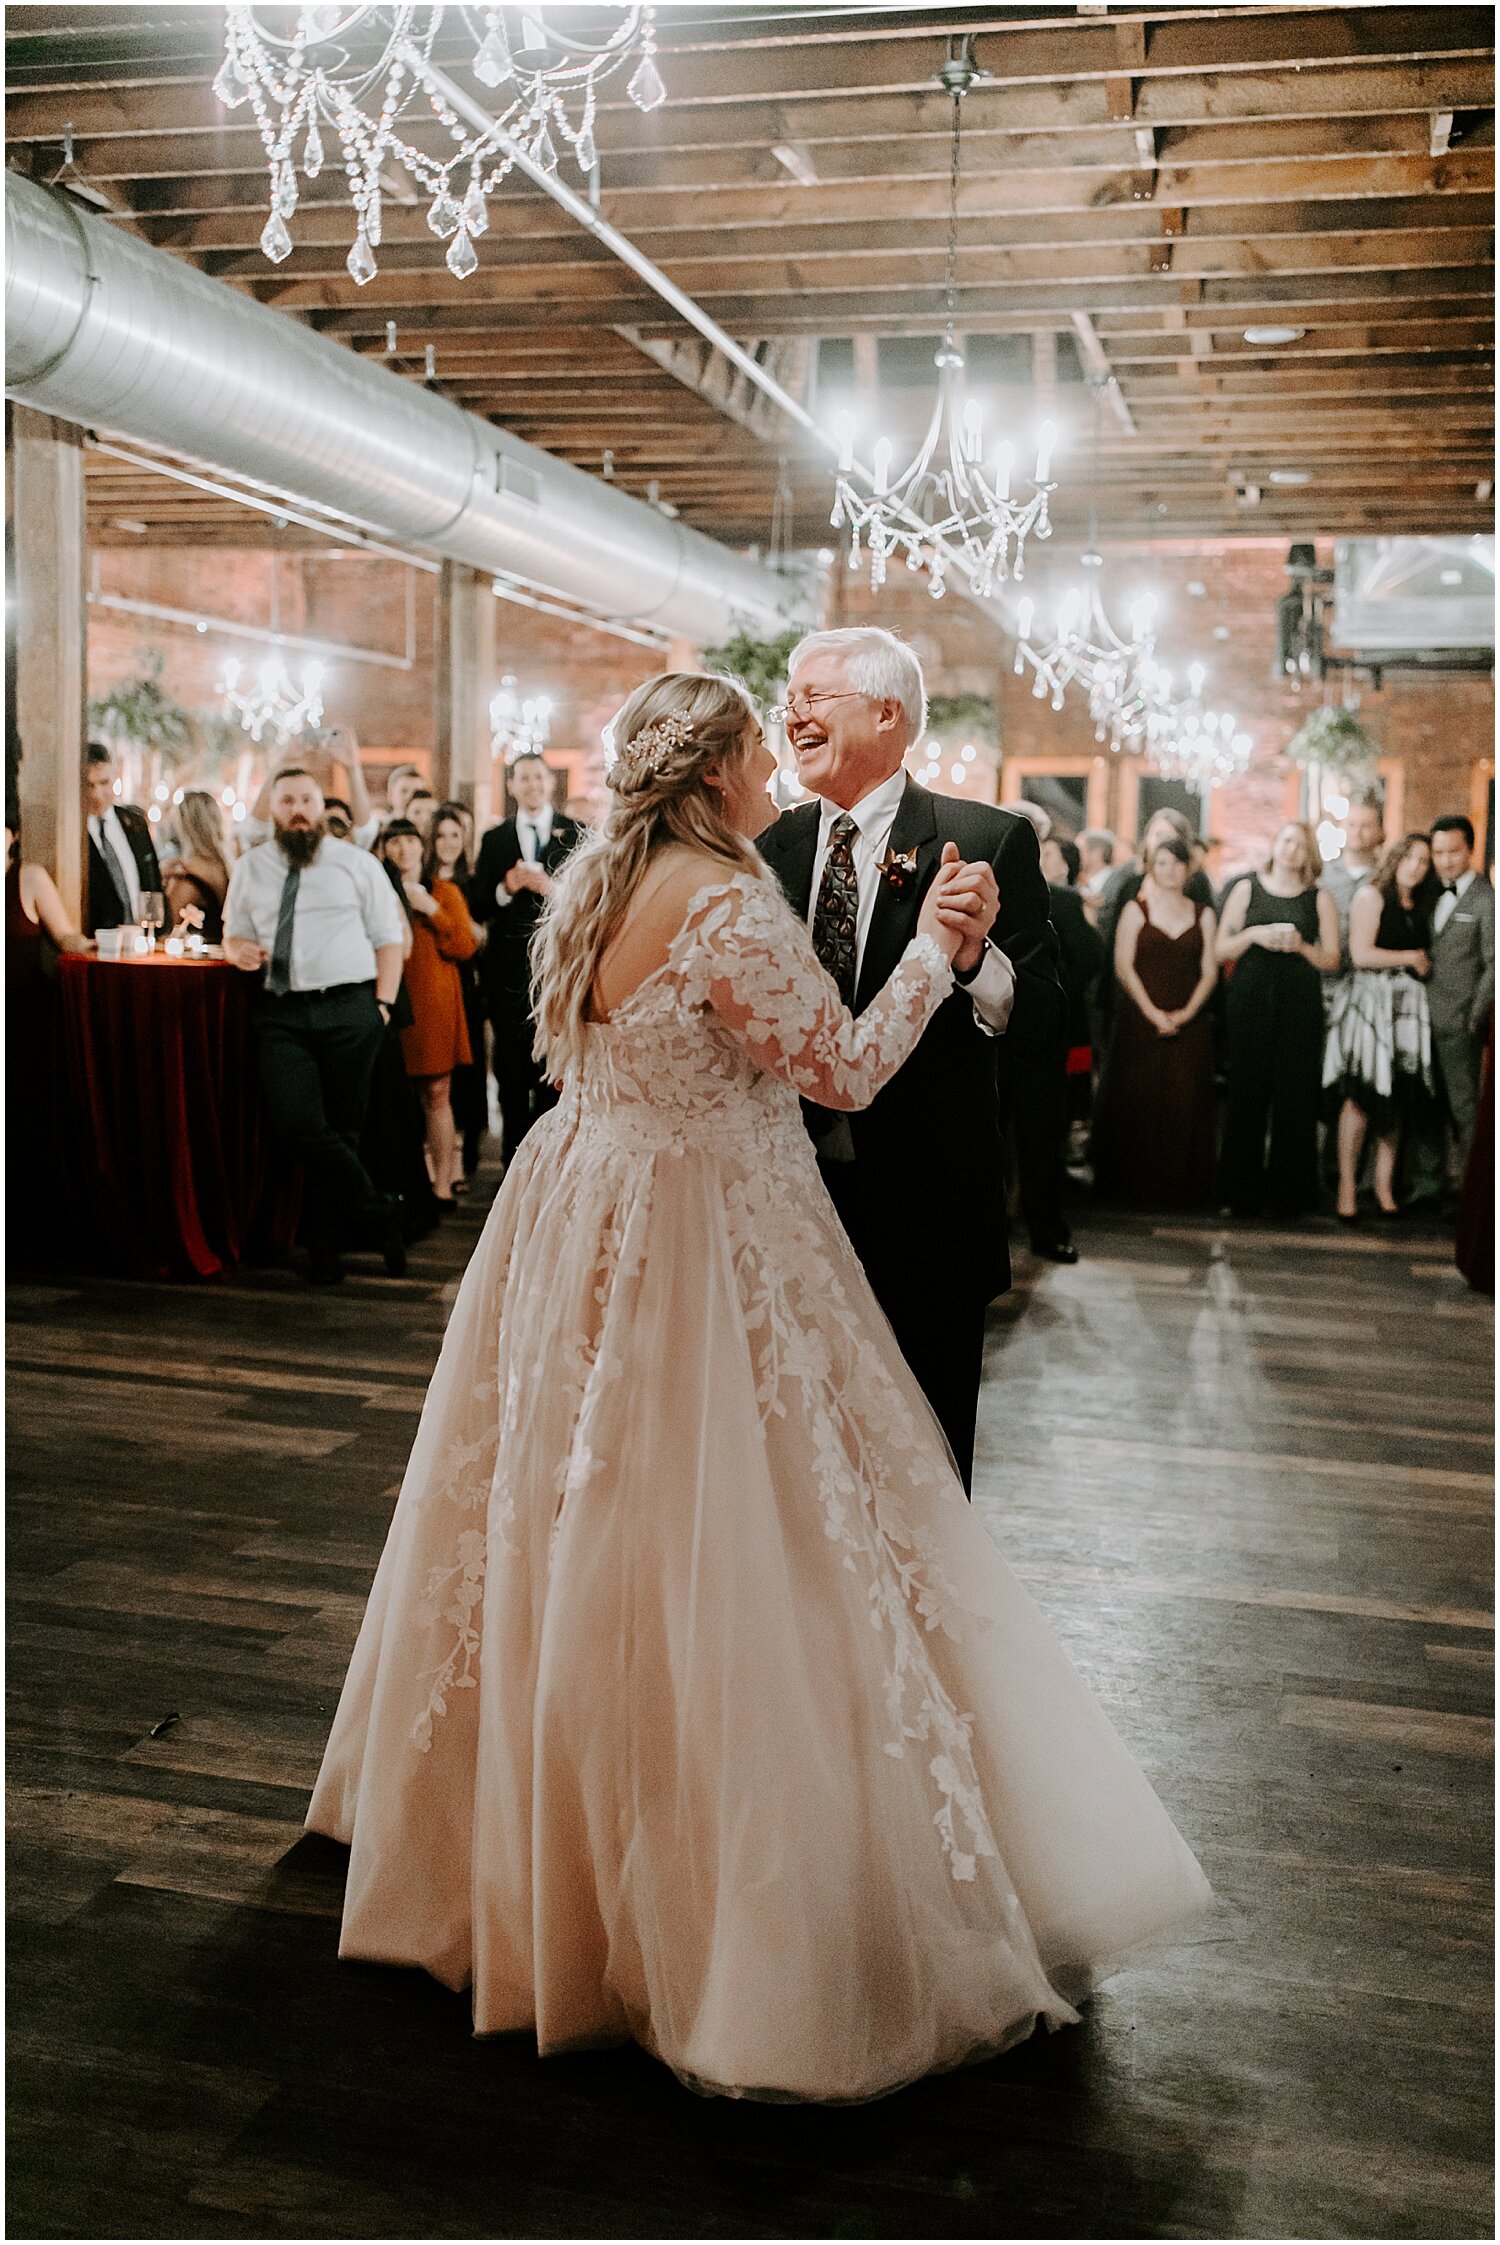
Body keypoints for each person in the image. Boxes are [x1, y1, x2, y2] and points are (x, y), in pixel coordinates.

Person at [306, 669, 1210, 2103]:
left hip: (585, 1216)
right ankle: (721, 1896)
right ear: (720, 771)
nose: (774, 769)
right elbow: (841, 1071)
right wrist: (926, 952)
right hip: (709, 1239)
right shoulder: (727, 900)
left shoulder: (601, 884)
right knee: (737, 1529)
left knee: (577, 1513)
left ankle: (529, 1852)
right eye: (757, 744)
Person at [760, 629, 1065, 1485]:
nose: (794, 713)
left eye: (815, 696)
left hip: (925, 1212)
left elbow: (1042, 1024)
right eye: (792, 698)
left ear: (887, 712)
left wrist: (974, 962)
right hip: (779, 1201)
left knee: (920, 1470)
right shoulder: (766, 850)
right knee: (792, 1467)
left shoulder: (983, 838)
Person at [224, 766, 408, 1284]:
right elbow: (232, 935)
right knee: (298, 1122)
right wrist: (239, 951)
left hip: (351, 1009)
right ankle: (380, 1211)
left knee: (343, 1131)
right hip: (282, 1012)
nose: (298, 810)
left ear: (321, 806)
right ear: (273, 810)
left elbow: (388, 936)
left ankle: (325, 1251)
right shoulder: (250, 868)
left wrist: (383, 1007)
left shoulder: (356, 864)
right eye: (287, 801)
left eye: (306, 799)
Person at [1216, 821, 1340, 1219]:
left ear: (1309, 854)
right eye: (1286, 840)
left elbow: (1333, 959)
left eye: (1300, 845)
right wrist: (1254, 935)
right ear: (1275, 843)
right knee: (1246, 1093)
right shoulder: (1247, 887)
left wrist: (1301, 945)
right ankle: (1239, 1191)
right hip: (1250, 1002)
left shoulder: (1318, 898)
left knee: (1295, 1095)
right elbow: (1220, 948)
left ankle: (1291, 1193)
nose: (1291, 850)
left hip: (1298, 1004)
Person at [1092, 836, 1218, 1209]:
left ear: (1187, 868)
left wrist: (1186, 1013)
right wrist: (1152, 1013)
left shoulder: (1203, 913)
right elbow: (1122, 966)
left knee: (1184, 1102)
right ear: (1151, 867)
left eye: (1176, 863)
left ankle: (1182, 1191)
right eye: (1161, 863)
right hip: (1141, 1019)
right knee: (1139, 1100)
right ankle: (1132, 1189)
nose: (1169, 870)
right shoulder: (1135, 909)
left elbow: (1210, 971)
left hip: (1188, 1019)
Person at [471, 754, 585, 1164]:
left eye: (538, 777)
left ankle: (553, 1165)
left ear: (550, 782)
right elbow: (478, 905)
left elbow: (591, 904)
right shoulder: (495, 839)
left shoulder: (576, 834)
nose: (532, 785)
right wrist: (506, 885)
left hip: (559, 975)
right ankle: (512, 1167)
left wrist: (551, 889)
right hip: (508, 978)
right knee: (511, 1076)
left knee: (556, 1077)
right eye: (524, 778)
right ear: (512, 786)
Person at [1324, 831, 1438, 1221]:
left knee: (1399, 1097)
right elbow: (1360, 953)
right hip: (1371, 1002)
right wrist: (1411, 956)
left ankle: (1384, 1187)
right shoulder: (1371, 895)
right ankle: (1346, 1187)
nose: (1416, 867)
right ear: (1395, 858)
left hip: (1407, 1008)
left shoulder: (1421, 903)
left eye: (1424, 861)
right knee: (1361, 1096)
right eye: (1410, 858)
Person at [378, 817, 480, 1207]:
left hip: (435, 1003)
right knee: (399, 1097)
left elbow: (466, 946)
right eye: (394, 842)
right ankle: (408, 1182)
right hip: (395, 998)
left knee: (437, 1093)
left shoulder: (445, 891)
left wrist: (431, 909)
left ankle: (442, 1183)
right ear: (385, 849)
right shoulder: (380, 891)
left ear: (423, 848)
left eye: (410, 841)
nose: (403, 849)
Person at [7, 809, 92, 1267]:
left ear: (13, 834)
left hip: (19, 1022)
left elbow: (67, 938)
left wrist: (106, 946)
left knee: (20, 1126)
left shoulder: (29, 877)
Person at [1094, 808, 1216, 1031]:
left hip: (1182, 986)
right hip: (1129, 986)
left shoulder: (1195, 882)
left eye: (1168, 837)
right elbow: (1109, 928)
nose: (1160, 842)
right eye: (1156, 835)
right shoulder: (1128, 878)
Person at [1426, 814, 1495, 1168]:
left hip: (1461, 1024)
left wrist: (1474, 1017)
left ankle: (1469, 1193)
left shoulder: (1488, 898)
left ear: (1470, 849)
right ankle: (1428, 1183)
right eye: (1438, 852)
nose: (1446, 860)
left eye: (1454, 851)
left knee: (1465, 1109)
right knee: (1426, 1106)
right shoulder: (1429, 892)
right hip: (1422, 1020)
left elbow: (1493, 963)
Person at [428, 801, 490, 1183]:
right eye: (441, 835)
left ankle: (464, 1158)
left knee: (468, 1075)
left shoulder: (473, 882)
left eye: (455, 835)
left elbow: (480, 937)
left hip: (467, 985)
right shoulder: (420, 881)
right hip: (432, 985)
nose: (448, 842)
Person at [246, 729, 380, 852]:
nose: (329, 835)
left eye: (337, 827)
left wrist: (353, 769)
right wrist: (284, 762)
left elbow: (366, 832)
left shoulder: (354, 859)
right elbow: (255, 831)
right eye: (324, 825)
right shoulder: (280, 857)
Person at [83, 741, 163, 935]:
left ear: (115, 777)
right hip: (99, 940)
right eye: (88, 785)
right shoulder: (75, 831)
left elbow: (150, 880)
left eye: (104, 783)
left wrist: (155, 932)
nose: (96, 794)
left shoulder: (134, 823)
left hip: (141, 939)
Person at [160, 788, 233, 942]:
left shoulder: (188, 876)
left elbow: (165, 928)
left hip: (198, 962)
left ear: (184, 825)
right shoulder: (226, 867)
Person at [1320, 793, 1385, 957]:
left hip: (1371, 974)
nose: (1357, 831)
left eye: (1366, 826)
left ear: (1380, 831)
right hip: (1327, 973)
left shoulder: (1386, 876)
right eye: (1351, 824)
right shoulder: (1321, 874)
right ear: (1342, 827)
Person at [1078, 828, 1116, 915]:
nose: (1078, 855)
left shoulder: (1112, 883)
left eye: (1082, 850)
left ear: (1097, 853)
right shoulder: (1081, 882)